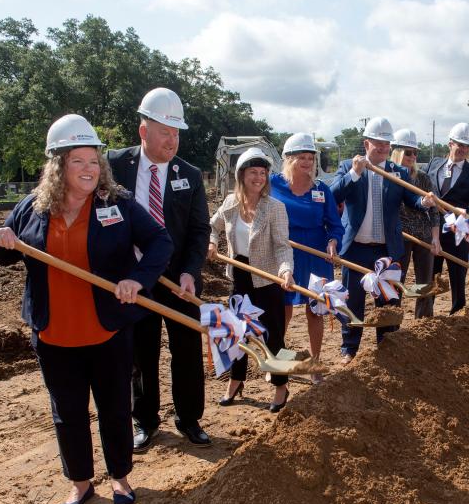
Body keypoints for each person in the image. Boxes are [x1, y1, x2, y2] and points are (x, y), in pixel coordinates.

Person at [0, 114, 173, 504]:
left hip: (106, 331)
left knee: (115, 408)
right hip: (54, 335)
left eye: (94, 161)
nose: (89, 170)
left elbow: (160, 241)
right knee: (67, 412)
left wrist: (136, 280)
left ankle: (120, 476)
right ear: (58, 165)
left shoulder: (117, 204)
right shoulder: (32, 209)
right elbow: (2, 253)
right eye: (78, 161)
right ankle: (80, 483)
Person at [106, 88, 211, 451]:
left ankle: (189, 418)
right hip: (133, 279)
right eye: (165, 131)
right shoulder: (114, 165)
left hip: (177, 279)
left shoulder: (190, 175)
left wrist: (190, 272)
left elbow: (200, 230)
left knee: (185, 348)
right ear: (143, 130)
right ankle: (145, 420)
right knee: (140, 352)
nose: (172, 139)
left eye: (176, 132)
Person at [329, 117, 436, 362]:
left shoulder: (397, 172)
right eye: (377, 143)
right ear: (366, 143)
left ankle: (387, 346)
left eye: (386, 144)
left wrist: (425, 202)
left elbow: (412, 200)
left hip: (386, 250)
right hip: (355, 247)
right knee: (353, 300)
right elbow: (333, 195)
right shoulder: (349, 167)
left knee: (388, 301)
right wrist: (355, 174)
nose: (382, 148)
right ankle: (350, 347)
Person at [209, 148, 295, 411]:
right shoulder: (230, 204)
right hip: (240, 275)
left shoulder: (275, 208)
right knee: (237, 333)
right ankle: (236, 380)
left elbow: (282, 246)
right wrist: (212, 241)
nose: (258, 177)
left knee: (274, 335)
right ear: (242, 175)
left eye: (262, 173)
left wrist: (285, 270)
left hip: (267, 278)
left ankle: (281, 386)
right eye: (253, 172)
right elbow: (212, 225)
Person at [269, 133, 344, 383]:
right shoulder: (273, 185)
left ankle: (314, 363)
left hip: (316, 254)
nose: (308, 162)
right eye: (302, 157)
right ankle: (277, 364)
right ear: (288, 159)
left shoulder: (322, 189)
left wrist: (333, 242)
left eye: (311, 158)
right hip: (284, 252)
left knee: (316, 309)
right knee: (283, 310)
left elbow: (335, 225)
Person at [426, 122, 469, 313]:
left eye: (466, 146)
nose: (462, 149)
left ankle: (458, 312)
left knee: (457, 275)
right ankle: (427, 313)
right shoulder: (434, 164)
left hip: (457, 233)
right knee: (431, 275)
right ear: (450, 144)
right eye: (459, 144)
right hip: (432, 230)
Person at [390, 128, 441, 319]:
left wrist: (435, 238)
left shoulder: (423, 178)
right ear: (397, 152)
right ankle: (393, 321)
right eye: (408, 152)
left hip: (423, 234)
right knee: (397, 280)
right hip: (399, 236)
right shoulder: (388, 175)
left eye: (415, 153)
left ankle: (424, 321)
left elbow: (435, 211)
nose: (412, 156)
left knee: (425, 282)